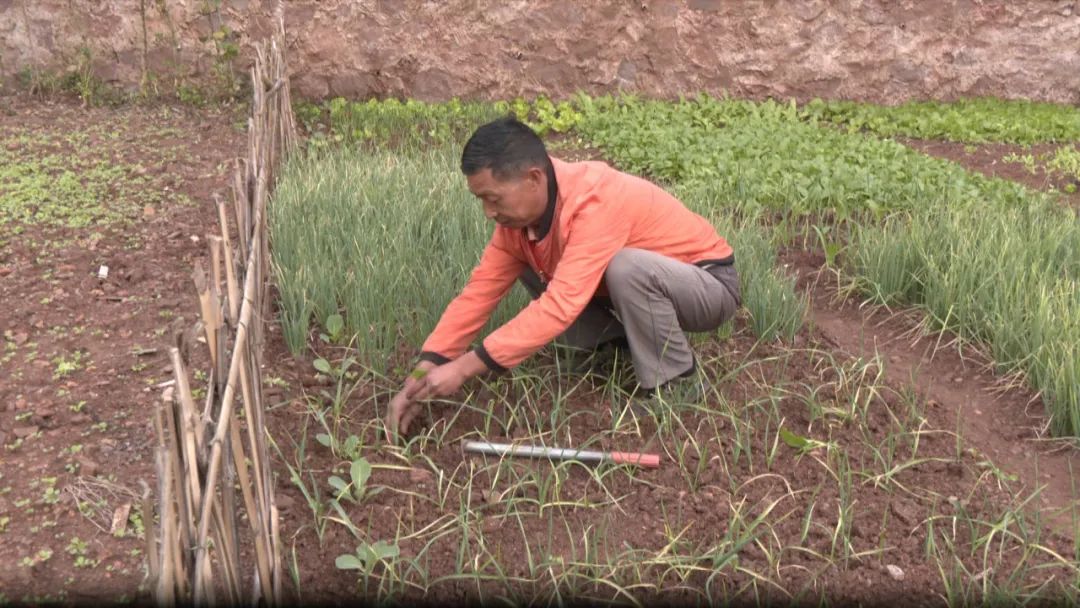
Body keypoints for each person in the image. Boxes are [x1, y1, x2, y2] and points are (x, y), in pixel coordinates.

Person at [385, 117, 741, 436]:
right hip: (636, 289)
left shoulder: (594, 200)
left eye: (493, 198)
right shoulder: (519, 224)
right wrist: (422, 373)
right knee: (532, 258)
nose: (488, 212)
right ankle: (606, 349)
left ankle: (674, 382)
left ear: (533, 178)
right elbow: (478, 295)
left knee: (626, 267)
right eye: (480, 200)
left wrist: (464, 368)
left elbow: (560, 305)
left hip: (707, 285)